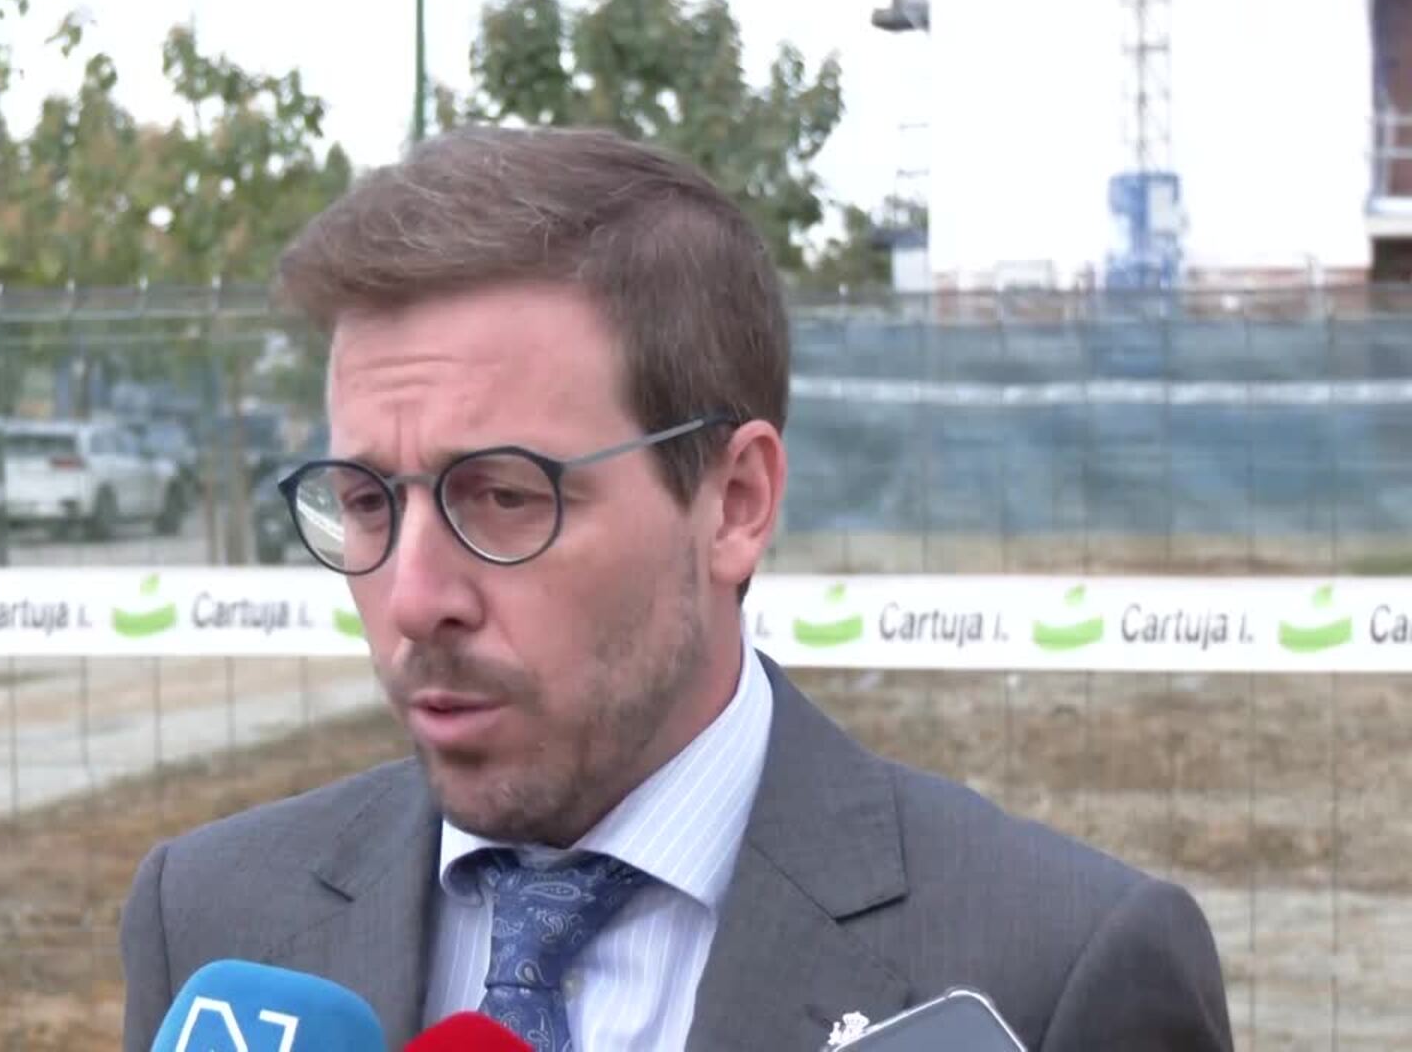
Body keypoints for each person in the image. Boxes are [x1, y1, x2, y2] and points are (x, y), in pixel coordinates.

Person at [119, 126, 1233, 1052]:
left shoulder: (1055, 974)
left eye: (503, 497)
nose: (414, 599)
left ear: (735, 502)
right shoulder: (214, 927)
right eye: (367, 502)